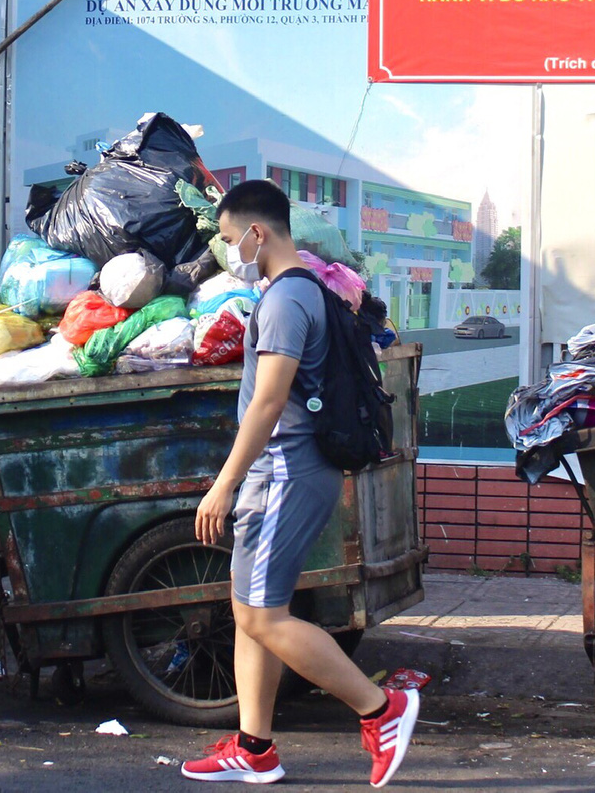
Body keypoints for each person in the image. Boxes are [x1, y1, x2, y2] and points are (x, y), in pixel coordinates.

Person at [181, 179, 418, 787]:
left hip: (283, 472)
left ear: (259, 233)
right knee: (251, 612)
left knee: (262, 615)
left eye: (233, 239)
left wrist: (223, 484)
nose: (231, 250)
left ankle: (380, 709)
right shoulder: (307, 287)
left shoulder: (286, 300)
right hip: (289, 471)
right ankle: (255, 748)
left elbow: (268, 402)